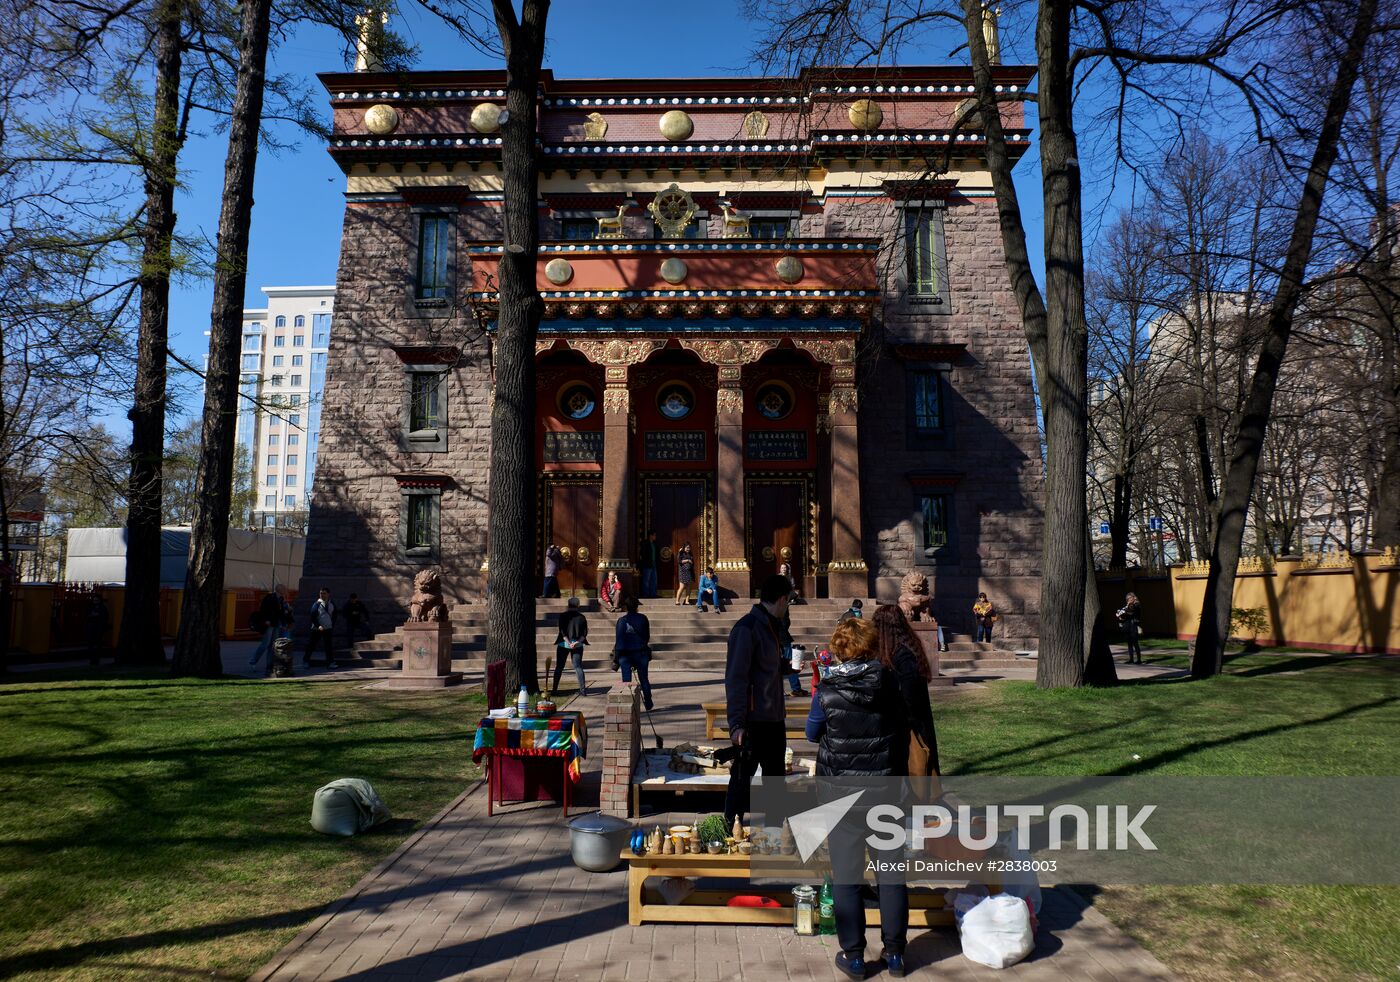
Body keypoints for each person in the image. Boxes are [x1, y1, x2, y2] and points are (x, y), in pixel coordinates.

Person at [805, 617, 910, 980]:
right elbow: (901, 725)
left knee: (848, 876)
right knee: (892, 874)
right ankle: (895, 955)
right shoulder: (889, 681)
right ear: (870, 647)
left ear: (838, 649)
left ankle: (854, 957)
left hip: (840, 794)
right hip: (886, 791)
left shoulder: (828, 691)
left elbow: (811, 733)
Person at [723, 573, 792, 825]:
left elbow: (764, 668)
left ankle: (775, 832)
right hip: (752, 722)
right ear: (782, 599)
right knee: (742, 778)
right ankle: (731, 827)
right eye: (789, 601)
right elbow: (736, 679)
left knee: (775, 781)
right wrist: (736, 724)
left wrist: (787, 667)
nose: (788, 607)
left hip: (774, 719)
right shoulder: (747, 628)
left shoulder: (772, 626)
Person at [872, 604, 941, 777]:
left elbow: (910, 697)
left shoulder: (903, 655)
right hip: (898, 725)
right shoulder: (895, 651)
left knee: (913, 771)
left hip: (908, 726)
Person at [614, 596, 653, 710]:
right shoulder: (643, 618)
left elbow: (618, 639)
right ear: (636, 607)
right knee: (644, 679)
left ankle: (629, 706)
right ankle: (648, 702)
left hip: (625, 654)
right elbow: (647, 636)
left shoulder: (621, 620)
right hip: (640, 652)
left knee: (626, 681)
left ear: (626, 607)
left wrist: (617, 656)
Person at [552, 596, 589, 696]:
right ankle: (583, 690)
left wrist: (568, 642)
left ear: (568, 605)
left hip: (563, 644)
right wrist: (576, 643)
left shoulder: (563, 616)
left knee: (559, 667)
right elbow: (584, 633)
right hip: (578, 644)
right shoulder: (582, 617)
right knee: (578, 667)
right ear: (578, 605)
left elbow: (562, 631)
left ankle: (554, 690)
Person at [248, 585, 285, 672]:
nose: (285, 590)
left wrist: (283, 624)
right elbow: (263, 609)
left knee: (273, 646)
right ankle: (253, 661)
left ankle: (269, 665)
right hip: (269, 623)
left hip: (276, 624)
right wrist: (266, 619)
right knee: (265, 644)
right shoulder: (270, 597)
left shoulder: (281, 599)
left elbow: (281, 612)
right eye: (283, 588)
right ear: (278, 589)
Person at [305, 588, 339, 669]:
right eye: (321, 593)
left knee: (328, 647)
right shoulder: (316, 604)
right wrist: (318, 626)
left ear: (328, 594)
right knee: (311, 645)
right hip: (317, 629)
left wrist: (332, 624)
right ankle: (305, 660)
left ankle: (330, 663)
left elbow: (335, 614)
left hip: (328, 628)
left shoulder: (332, 604)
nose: (322, 595)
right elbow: (313, 616)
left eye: (324, 593)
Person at [1118, 591, 1143, 664]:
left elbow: (1132, 611)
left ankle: (1139, 660)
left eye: (1129, 598)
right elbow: (1126, 614)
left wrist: (1128, 607)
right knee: (1129, 643)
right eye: (1127, 598)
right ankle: (1131, 659)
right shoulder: (1128, 605)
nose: (1128, 600)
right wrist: (1120, 615)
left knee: (1135, 643)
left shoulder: (1137, 605)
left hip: (1133, 625)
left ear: (1133, 598)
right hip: (1127, 625)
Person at [86, 593, 110, 667]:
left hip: (99, 628)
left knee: (97, 644)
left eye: (96, 600)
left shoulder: (103, 608)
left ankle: (96, 659)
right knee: (91, 644)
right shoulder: (91, 607)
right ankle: (92, 659)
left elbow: (104, 618)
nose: (95, 601)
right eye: (94, 600)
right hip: (91, 628)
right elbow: (87, 616)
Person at [638, 530, 659, 599]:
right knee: (646, 580)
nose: (655, 537)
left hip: (653, 563)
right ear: (651, 536)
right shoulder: (645, 543)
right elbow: (643, 554)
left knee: (654, 579)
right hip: (647, 563)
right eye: (654, 535)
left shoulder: (654, 544)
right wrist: (646, 561)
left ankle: (653, 594)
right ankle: (646, 594)